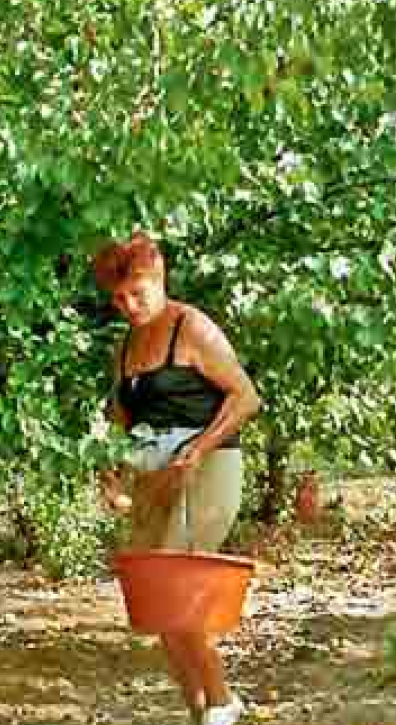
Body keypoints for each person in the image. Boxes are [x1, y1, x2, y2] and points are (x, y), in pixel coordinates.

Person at [93, 232, 261, 725]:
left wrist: (197, 450)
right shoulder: (125, 346)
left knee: (175, 589)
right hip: (151, 472)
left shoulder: (191, 328)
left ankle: (224, 700)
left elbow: (245, 397)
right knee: (153, 602)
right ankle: (197, 709)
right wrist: (114, 476)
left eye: (137, 293)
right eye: (119, 299)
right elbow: (122, 424)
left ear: (159, 277)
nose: (129, 305)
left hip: (207, 464)